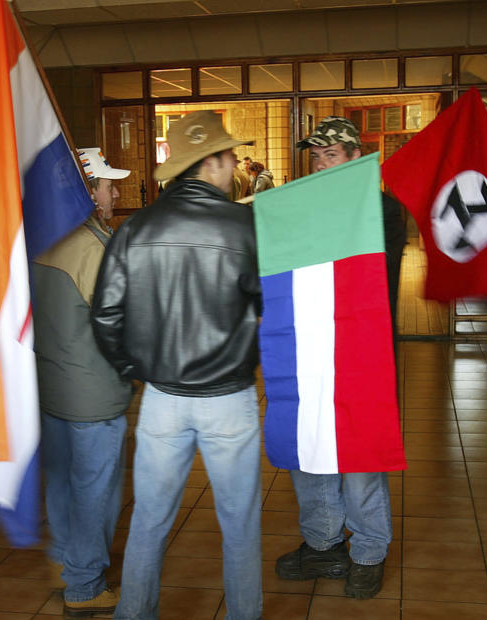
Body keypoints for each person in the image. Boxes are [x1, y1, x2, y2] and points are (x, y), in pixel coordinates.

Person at [92, 110, 263, 620]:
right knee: (240, 522)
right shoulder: (247, 226)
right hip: (230, 400)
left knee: (149, 518)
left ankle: (134, 614)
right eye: (229, 155)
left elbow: (105, 315)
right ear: (209, 162)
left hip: (162, 400)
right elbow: (273, 307)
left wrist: (133, 369)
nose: (234, 163)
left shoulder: (135, 228)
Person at [274, 116, 405, 599]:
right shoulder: (301, 208)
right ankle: (323, 544)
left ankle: (369, 550)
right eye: (316, 156)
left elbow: (366, 269)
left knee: (361, 454)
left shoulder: (384, 211)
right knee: (309, 448)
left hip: (364, 355)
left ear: (356, 160)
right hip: (309, 350)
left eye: (332, 155)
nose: (321, 163)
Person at [33, 148, 134, 617]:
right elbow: (122, 323)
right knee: (96, 488)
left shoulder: (39, 240)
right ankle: (85, 583)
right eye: (108, 185)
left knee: (62, 482)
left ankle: (63, 562)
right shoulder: (93, 250)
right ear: (86, 193)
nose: (116, 192)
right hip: (92, 395)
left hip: (50, 388)